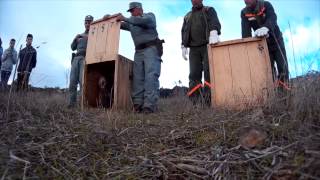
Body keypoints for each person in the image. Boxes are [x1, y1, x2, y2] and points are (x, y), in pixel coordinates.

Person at [115, 2, 163, 113]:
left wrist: (125, 18)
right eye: (130, 11)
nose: (131, 13)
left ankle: (149, 105)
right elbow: (119, 24)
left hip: (151, 48)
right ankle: (137, 104)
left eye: (132, 10)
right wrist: (109, 18)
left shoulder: (149, 16)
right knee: (137, 78)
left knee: (151, 76)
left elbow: (143, 21)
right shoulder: (131, 22)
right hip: (138, 51)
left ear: (139, 9)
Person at [181, 0, 221, 105]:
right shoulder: (187, 16)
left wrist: (214, 31)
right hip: (193, 49)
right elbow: (184, 31)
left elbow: (214, 21)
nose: (195, 1)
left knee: (209, 73)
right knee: (194, 74)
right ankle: (196, 102)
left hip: (208, 45)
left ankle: (210, 101)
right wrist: (183, 45)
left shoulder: (209, 10)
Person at [241, 0, 289, 84]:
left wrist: (266, 27)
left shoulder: (266, 5)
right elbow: (246, 33)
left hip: (277, 42)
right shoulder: (244, 12)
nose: (246, 1)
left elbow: (272, 17)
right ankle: (272, 95)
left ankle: (285, 94)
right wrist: (247, 47)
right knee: (268, 71)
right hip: (263, 45)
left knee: (282, 68)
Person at [68, 15, 94, 107]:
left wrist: (89, 38)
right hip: (76, 59)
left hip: (85, 58)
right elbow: (72, 47)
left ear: (92, 23)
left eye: (89, 22)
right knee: (72, 82)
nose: (87, 24)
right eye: (86, 22)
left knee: (83, 81)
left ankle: (83, 104)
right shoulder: (79, 35)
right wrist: (75, 38)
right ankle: (71, 104)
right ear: (84, 23)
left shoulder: (94, 35)